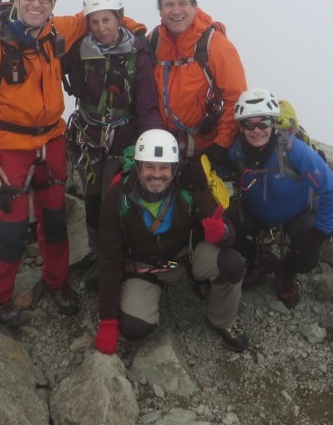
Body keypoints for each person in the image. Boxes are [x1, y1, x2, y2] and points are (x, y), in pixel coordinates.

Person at [0, 0, 143, 328]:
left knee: (55, 221)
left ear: (52, 3)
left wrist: (137, 31)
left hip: (52, 140)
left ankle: (58, 284)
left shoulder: (57, 29)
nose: (36, 3)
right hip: (10, 147)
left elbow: (94, 16)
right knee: (11, 229)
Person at [93, 129, 249, 354]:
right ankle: (164, 288)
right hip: (145, 267)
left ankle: (222, 320)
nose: (157, 174)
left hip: (184, 257)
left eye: (164, 167)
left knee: (232, 263)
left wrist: (222, 232)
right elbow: (109, 257)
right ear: (138, 166)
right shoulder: (119, 196)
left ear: (174, 168)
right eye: (149, 167)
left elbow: (228, 231)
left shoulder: (189, 188)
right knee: (134, 327)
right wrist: (107, 321)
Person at [63, 0, 163, 289]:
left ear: (119, 18)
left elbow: (146, 102)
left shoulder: (137, 51)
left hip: (123, 137)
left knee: (112, 199)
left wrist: (153, 142)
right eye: (94, 21)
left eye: (106, 20)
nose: (101, 28)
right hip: (89, 135)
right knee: (93, 199)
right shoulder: (79, 49)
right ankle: (99, 256)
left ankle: (117, 255)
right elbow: (43, 67)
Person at [227, 88, 333, 309]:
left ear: (273, 123)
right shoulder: (237, 151)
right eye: (248, 124)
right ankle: (260, 260)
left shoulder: (295, 151)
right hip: (255, 210)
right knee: (229, 233)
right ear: (240, 127)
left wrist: (321, 231)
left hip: (296, 213)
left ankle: (285, 272)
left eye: (263, 123)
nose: (256, 130)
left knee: (308, 257)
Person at [150, 0, 248, 171]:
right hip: (167, 146)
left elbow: (236, 98)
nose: (176, 11)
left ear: (194, 7)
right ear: (160, 10)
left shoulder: (215, 45)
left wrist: (221, 144)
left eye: (183, 4)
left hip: (207, 146)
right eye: (169, 5)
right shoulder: (154, 41)